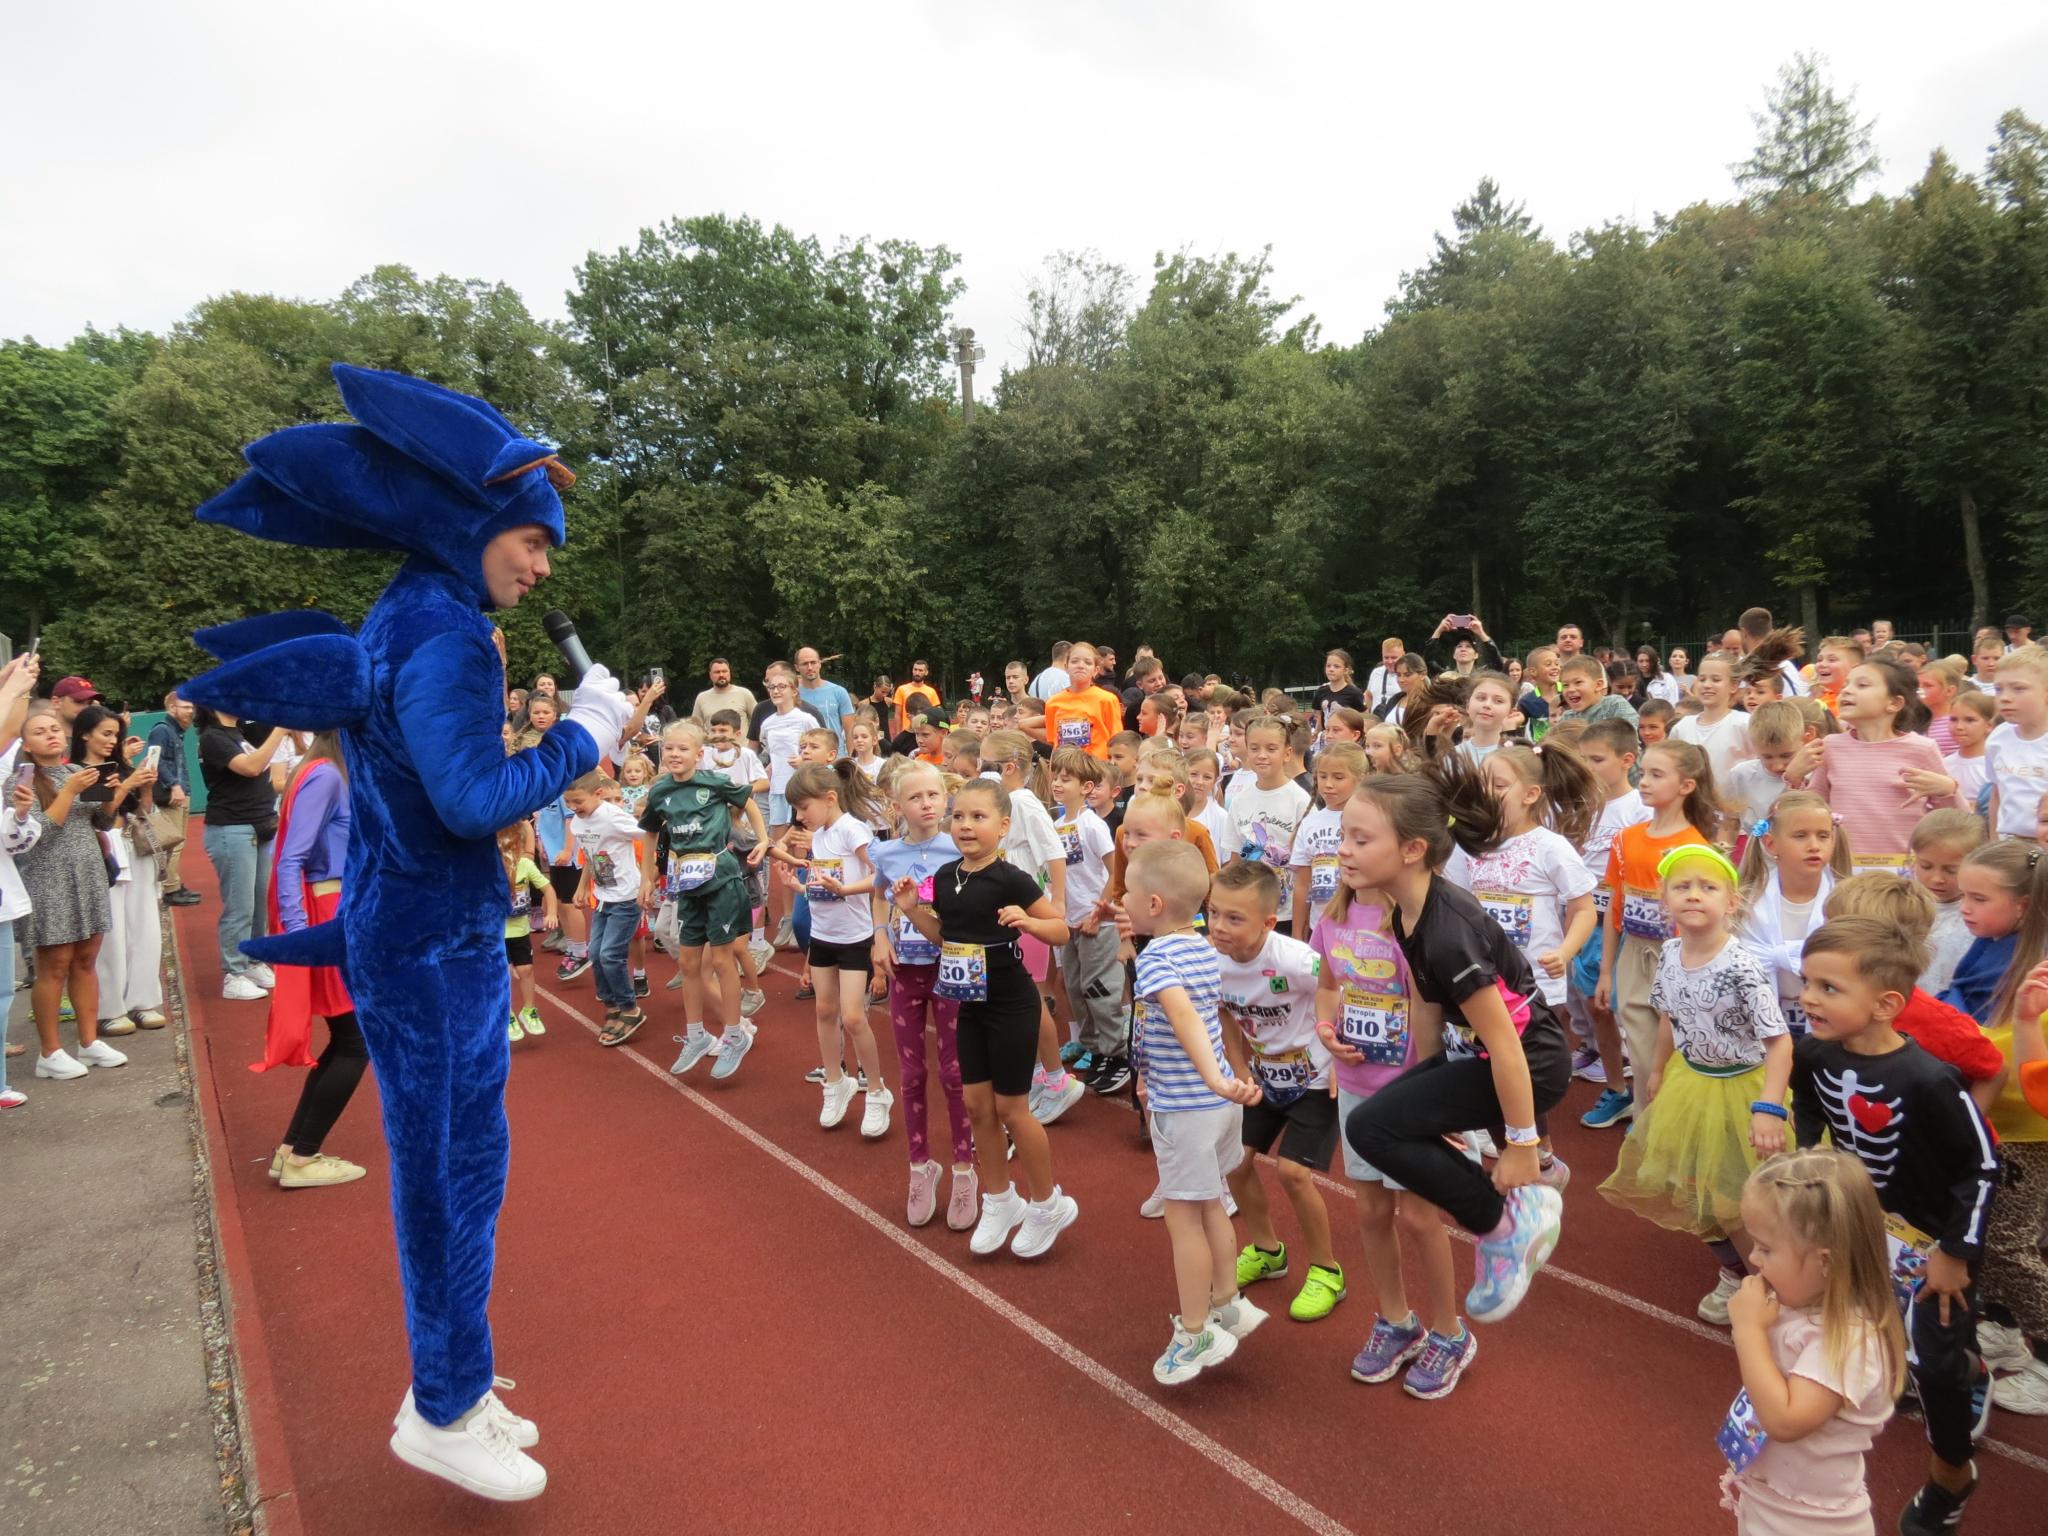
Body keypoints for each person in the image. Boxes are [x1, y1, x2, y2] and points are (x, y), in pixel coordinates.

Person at [181, 364, 635, 1499]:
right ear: (474, 520)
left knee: (468, 1168)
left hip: (433, 934)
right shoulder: (438, 630)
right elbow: (472, 800)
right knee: (444, 1178)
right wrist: (586, 734)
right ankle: (438, 1405)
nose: (540, 564)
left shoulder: (429, 615)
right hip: (428, 947)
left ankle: (461, 1379)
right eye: (531, 538)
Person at [1340, 757, 1570, 1328]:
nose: (1342, 849)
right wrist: (1426, 1085)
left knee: (1369, 1127)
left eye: (1360, 838)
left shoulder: (1448, 931)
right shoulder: (1407, 914)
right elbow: (1426, 1006)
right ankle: (1504, 1215)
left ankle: (1504, 1222)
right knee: (1385, 1118)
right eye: (1344, 835)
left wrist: (1521, 1145)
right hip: (1481, 1058)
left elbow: (1509, 1042)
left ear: (1412, 849)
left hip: (1527, 1064)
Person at [1789, 917, 2000, 1536]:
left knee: (1934, 1366)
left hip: (1937, 1243)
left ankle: (1950, 1478)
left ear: (1886, 1006)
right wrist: (1803, 1152)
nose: (1808, 997)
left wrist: (1957, 1253)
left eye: (1829, 988)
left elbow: (1983, 1167)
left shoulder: (1930, 1079)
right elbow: (1806, 1097)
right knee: (1846, 1329)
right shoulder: (1816, 1053)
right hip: (1861, 1227)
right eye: (1807, 982)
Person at [1599, 844, 1793, 1325]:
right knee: (1693, 1191)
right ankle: (1735, 1272)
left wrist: (1769, 1107)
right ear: (1665, 901)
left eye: (1708, 887)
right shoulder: (1669, 952)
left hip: (1743, 1092)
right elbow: (1669, 1016)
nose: (1694, 895)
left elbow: (1780, 1042)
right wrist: (1662, 1067)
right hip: (1692, 1083)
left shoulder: (1742, 966)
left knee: (1744, 1202)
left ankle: (1773, 1291)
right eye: (1682, 887)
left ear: (1731, 902)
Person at [890, 778, 1078, 1258]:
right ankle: (999, 1199)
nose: (966, 826)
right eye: (959, 817)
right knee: (977, 1107)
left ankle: (1046, 1203)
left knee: (1014, 1109)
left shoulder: (1010, 877)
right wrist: (912, 911)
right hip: (966, 1004)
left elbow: (1059, 929)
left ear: (1004, 825)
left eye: (979, 817)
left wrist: (1028, 921)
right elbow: (943, 938)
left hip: (1010, 1004)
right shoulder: (949, 876)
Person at [1123, 839, 1265, 1382]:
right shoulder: (1204, 947)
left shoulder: (1157, 956)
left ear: (1155, 904)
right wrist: (1232, 1075)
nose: (1124, 900)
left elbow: (1183, 1018)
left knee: (1184, 1217)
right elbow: (1218, 1015)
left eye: (1130, 893)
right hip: (1217, 1103)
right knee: (1213, 1204)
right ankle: (1228, 1301)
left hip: (1188, 1104)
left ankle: (1195, 1330)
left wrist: (1214, 1076)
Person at [1717, 1149, 1905, 1535]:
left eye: (1766, 1248)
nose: (1753, 1258)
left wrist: (1749, 1332)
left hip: (1815, 1525)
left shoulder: (1852, 1339)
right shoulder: (1793, 1304)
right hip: (1771, 1506)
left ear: (1826, 1262)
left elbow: (1786, 1420)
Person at [1448, 743, 1602, 1184]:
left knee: (1524, 1083)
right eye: (1483, 786)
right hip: (1480, 985)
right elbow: (1455, 903)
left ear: (1531, 794)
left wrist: (1566, 951)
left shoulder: (1549, 847)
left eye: (1498, 785)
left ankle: (1541, 1159)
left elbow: (1584, 908)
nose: (1488, 793)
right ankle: (1523, 1158)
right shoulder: (1469, 846)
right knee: (1487, 1083)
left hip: (1534, 987)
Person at [1209, 861, 1347, 1324]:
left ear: (1268, 922)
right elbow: (1226, 1013)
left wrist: (1338, 1051)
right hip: (1264, 1077)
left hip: (1314, 1077)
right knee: (1235, 1162)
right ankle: (1269, 1250)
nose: (1219, 927)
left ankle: (1327, 1270)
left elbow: (1339, 987)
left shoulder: (1293, 959)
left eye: (1234, 918)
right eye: (1214, 913)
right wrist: (1239, 1064)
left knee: (1293, 1172)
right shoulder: (1213, 960)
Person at [256, 733, 371, 1187]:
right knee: (355, 1041)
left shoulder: (324, 770)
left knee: (347, 1039)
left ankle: (293, 1150)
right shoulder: (325, 774)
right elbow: (291, 859)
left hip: (334, 911)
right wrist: (301, 935)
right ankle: (302, 1156)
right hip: (329, 914)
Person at [870, 760, 975, 1229]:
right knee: (911, 1073)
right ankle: (919, 1165)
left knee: (955, 1072)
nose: (927, 804)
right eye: (915, 798)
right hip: (906, 973)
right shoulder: (887, 853)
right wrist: (879, 935)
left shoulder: (961, 845)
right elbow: (879, 893)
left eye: (933, 795)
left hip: (952, 969)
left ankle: (964, 1169)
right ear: (898, 806)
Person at [1594, 740, 1722, 1125]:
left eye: (1656, 774)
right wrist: (1605, 971)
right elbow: (1615, 906)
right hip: (1634, 951)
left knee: (1676, 1050)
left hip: (1681, 956)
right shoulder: (1627, 838)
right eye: (1643, 772)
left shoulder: (1694, 846)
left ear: (1687, 786)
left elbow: (1707, 917)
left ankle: (1671, 1127)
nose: (1644, 781)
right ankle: (1649, 1126)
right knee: (1641, 1044)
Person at [643, 720, 768, 1081]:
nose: (674, 755)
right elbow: (651, 832)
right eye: (669, 749)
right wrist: (647, 875)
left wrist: (762, 839)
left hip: (722, 881)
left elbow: (747, 800)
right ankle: (697, 1035)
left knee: (723, 961)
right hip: (686, 885)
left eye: (683, 749)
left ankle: (734, 1035)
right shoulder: (660, 791)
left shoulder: (712, 782)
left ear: (699, 755)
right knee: (687, 963)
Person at [779, 760, 892, 1133]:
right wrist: (802, 887)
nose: (799, 816)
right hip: (824, 935)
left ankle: (876, 1091)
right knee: (825, 1011)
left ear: (829, 798)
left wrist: (845, 890)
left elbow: (880, 875)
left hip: (855, 937)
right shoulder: (821, 834)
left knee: (854, 1016)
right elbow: (827, 879)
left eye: (803, 808)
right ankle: (835, 1082)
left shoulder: (851, 830)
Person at [14, 704, 125, 1081]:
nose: (51, 734)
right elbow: (36, 832)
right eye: (40, 731)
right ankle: (50, 1052)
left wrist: (112, 793)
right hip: (48, 878)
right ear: (26, 744)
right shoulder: (21, 780)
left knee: (86, 960)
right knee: (54, 965)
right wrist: (70, 791)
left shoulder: (77, 771)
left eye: (55, 729)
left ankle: (89, 1042)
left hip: (88, 873)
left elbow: (104, 821)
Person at [1786, 659, 1960, 868]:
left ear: (1894, 703)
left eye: (1862, 685)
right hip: (1844, 868)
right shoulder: (1831, 747)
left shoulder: (1922, 749)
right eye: (1846, 686)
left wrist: (1948, 789)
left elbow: (1956, 819)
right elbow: (1813, 808)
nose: (1847, 691)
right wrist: (1794, 779)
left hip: (1903, 871)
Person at [74, 705, 166, 1036]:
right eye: (106, 733)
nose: (112, 740)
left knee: (145, 924)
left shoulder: (121, 766)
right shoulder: (78, 770)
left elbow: (143, 809)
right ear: (85, 734)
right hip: (102, 848)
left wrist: (144, 785)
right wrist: (127, 785)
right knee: (111, 931)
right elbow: (99, 814)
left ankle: (143, 1000)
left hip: (133, 845)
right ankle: (110, 1007)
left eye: (115, 734)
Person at [1734, 791, 1852, 1041]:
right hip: (1758, 1026)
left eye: (1823, 836)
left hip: (1831, 1029)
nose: (1814, 845)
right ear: (1770, 844)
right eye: (1800, 836)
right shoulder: (1746, 902)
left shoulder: (1847, 901)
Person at [196, 705, 288, 1001]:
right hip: (233, 828)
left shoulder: (239, 732)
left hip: (259, 824)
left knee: (259, 901)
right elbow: (250, 767)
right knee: (240, 905)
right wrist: (281, 729)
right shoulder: (213, 738)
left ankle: (253, 960)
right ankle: (233, 974)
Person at [1046, 749, 1121, 1084]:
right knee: (1076, 987)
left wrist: (1098, 911)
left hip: (1098, 923)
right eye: (1056, 777)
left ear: (1086, 786)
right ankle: (1095, 1048)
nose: (1058, 784)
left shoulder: (1093, 825)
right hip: (1071, 923)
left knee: (1100, 989)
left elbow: (1115, 873)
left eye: (1067, 779)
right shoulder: (1057, 824)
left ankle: (1117, 1054)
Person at [1985, 646, 2048, 843]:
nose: (2004, 697)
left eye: (2018, 688)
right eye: (1998, 689)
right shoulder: (1998, 738)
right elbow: (1997, 793)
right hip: (2011, 844)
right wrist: (1994, 841)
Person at [499, 821, 554, 1042]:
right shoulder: (487, 869)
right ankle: (507, 1015)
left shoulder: (525, 865)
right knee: (502, 975)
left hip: (520, 930)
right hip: (495, 933)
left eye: (511, 845)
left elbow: (548, 889)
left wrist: (551, 913)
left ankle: (529, 1010)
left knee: (526, 971)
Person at [149, 691, 200, 905]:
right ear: (172, 708)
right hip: (172, 794)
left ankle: (174, 884)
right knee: (172, 843)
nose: (191, 711)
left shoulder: (174, 731)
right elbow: (156, 760)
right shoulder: (162, 729)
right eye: (185, 707)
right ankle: (170, 889)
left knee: (177, 842)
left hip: (179, 792)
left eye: (191, 707)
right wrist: (174, 785)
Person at [1671, 654, 1753, 785]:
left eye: (1716, 680)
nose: (1707, 685)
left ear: (1733, 686)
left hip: (1733, 803)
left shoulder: (1744, 724)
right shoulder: (1682, 727)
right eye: (1702, 679)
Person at [1043, 642, 1124, 758]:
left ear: (1096, 670)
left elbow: (1117, 741)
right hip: (1065, 769)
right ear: (1066, 667)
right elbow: (1054, 744)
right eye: (1075, 661)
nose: (1080, 666)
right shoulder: (1052, 703)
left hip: (1097, 770)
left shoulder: (1108, 700)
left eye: (1087, 662)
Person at [792, 647, 857, 751]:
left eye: (813, 662)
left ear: (820, 664)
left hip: (835, 758)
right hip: (804, 759)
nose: (810, 667)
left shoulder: (838, 692)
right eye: (805, 664)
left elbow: (850, 730)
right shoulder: (792, 695)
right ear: (796, 667)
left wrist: (849, 760)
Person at [687, 657, 757, 731]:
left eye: (724, 671)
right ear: (710, 675)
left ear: (729, 672)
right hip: (712, 742)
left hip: (741, 742)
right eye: (717, 672)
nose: (721, 675)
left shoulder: (744, 694)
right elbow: (695, 727)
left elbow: (759, 720)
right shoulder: (702, 697)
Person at [1311, 650, 1367, 731]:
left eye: (1336, 666)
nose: (1331, 669)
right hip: (1326, 737)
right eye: (1328, 666)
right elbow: (1319, 717)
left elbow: (1364, 717)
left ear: (1346, 670)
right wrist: (1316, 732)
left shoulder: (1354, 693)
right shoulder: (1321, 691)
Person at [1365, 638, 1406, 714]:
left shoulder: (1410, 675)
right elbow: (1368, 695)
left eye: (1394, 658)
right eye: (1386, 657)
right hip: (1377, 723)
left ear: (1403, 655)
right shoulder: (1376, 672)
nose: (1390, 661)